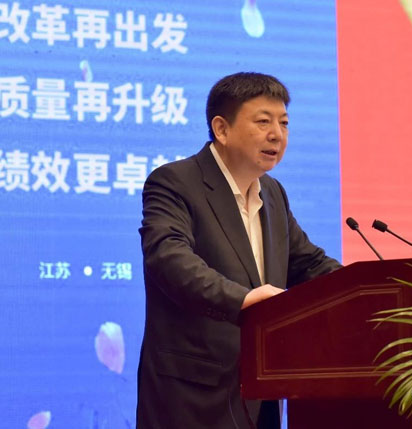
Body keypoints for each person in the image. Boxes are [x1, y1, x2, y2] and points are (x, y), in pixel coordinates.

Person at [136, 72, 341, 428]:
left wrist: (373, 290)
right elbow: (168, 258)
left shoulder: (272, 193)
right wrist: (243, 301)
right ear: (222, 128)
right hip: (193, 396)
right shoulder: (174, 182)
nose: (277, 134)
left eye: (284, 123)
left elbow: (308, 264)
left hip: (261, 391)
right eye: (263, 122)